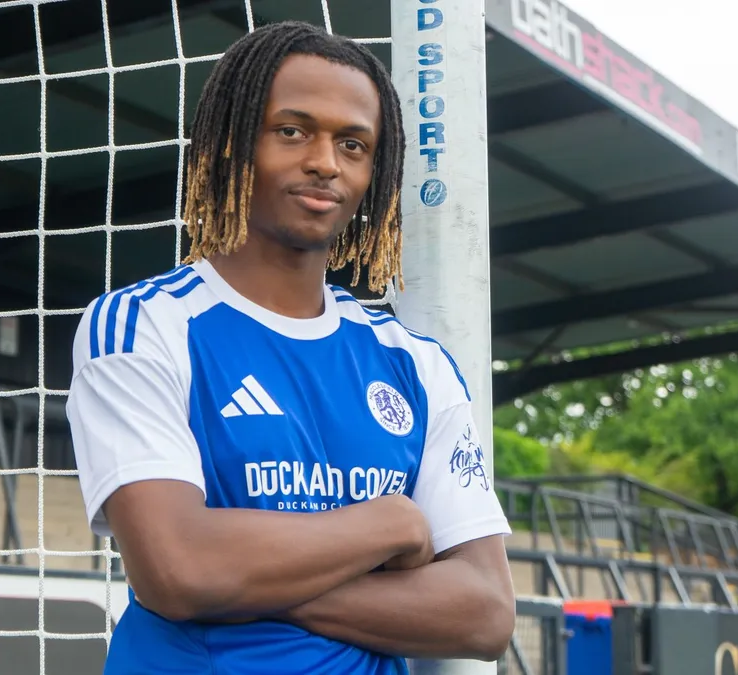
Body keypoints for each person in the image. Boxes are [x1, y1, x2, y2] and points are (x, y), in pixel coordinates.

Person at [65, 19, 516, 675]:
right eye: (292, 131)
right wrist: (391, 525)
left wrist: (246, 582)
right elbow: (177, 568)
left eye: (353, 144)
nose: (326, 162)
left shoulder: (415, 365)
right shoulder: (142, 325)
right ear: (231, 145)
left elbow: (485, 613)